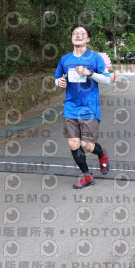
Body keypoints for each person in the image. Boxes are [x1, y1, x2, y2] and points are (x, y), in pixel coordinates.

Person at [55, 25, 111, 189]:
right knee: (73, 143)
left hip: (89, 107)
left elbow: (107, 80)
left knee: (87, 145)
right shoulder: (65, 59)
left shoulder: (95, 58)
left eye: (82, 33)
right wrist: (59, 82)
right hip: (70, 106)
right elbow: (57, 78)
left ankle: (101, 153)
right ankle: (87, 176)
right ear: (71, 37)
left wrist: (89, 73)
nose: (78, 36)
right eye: (75, 33)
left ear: (88, 39)